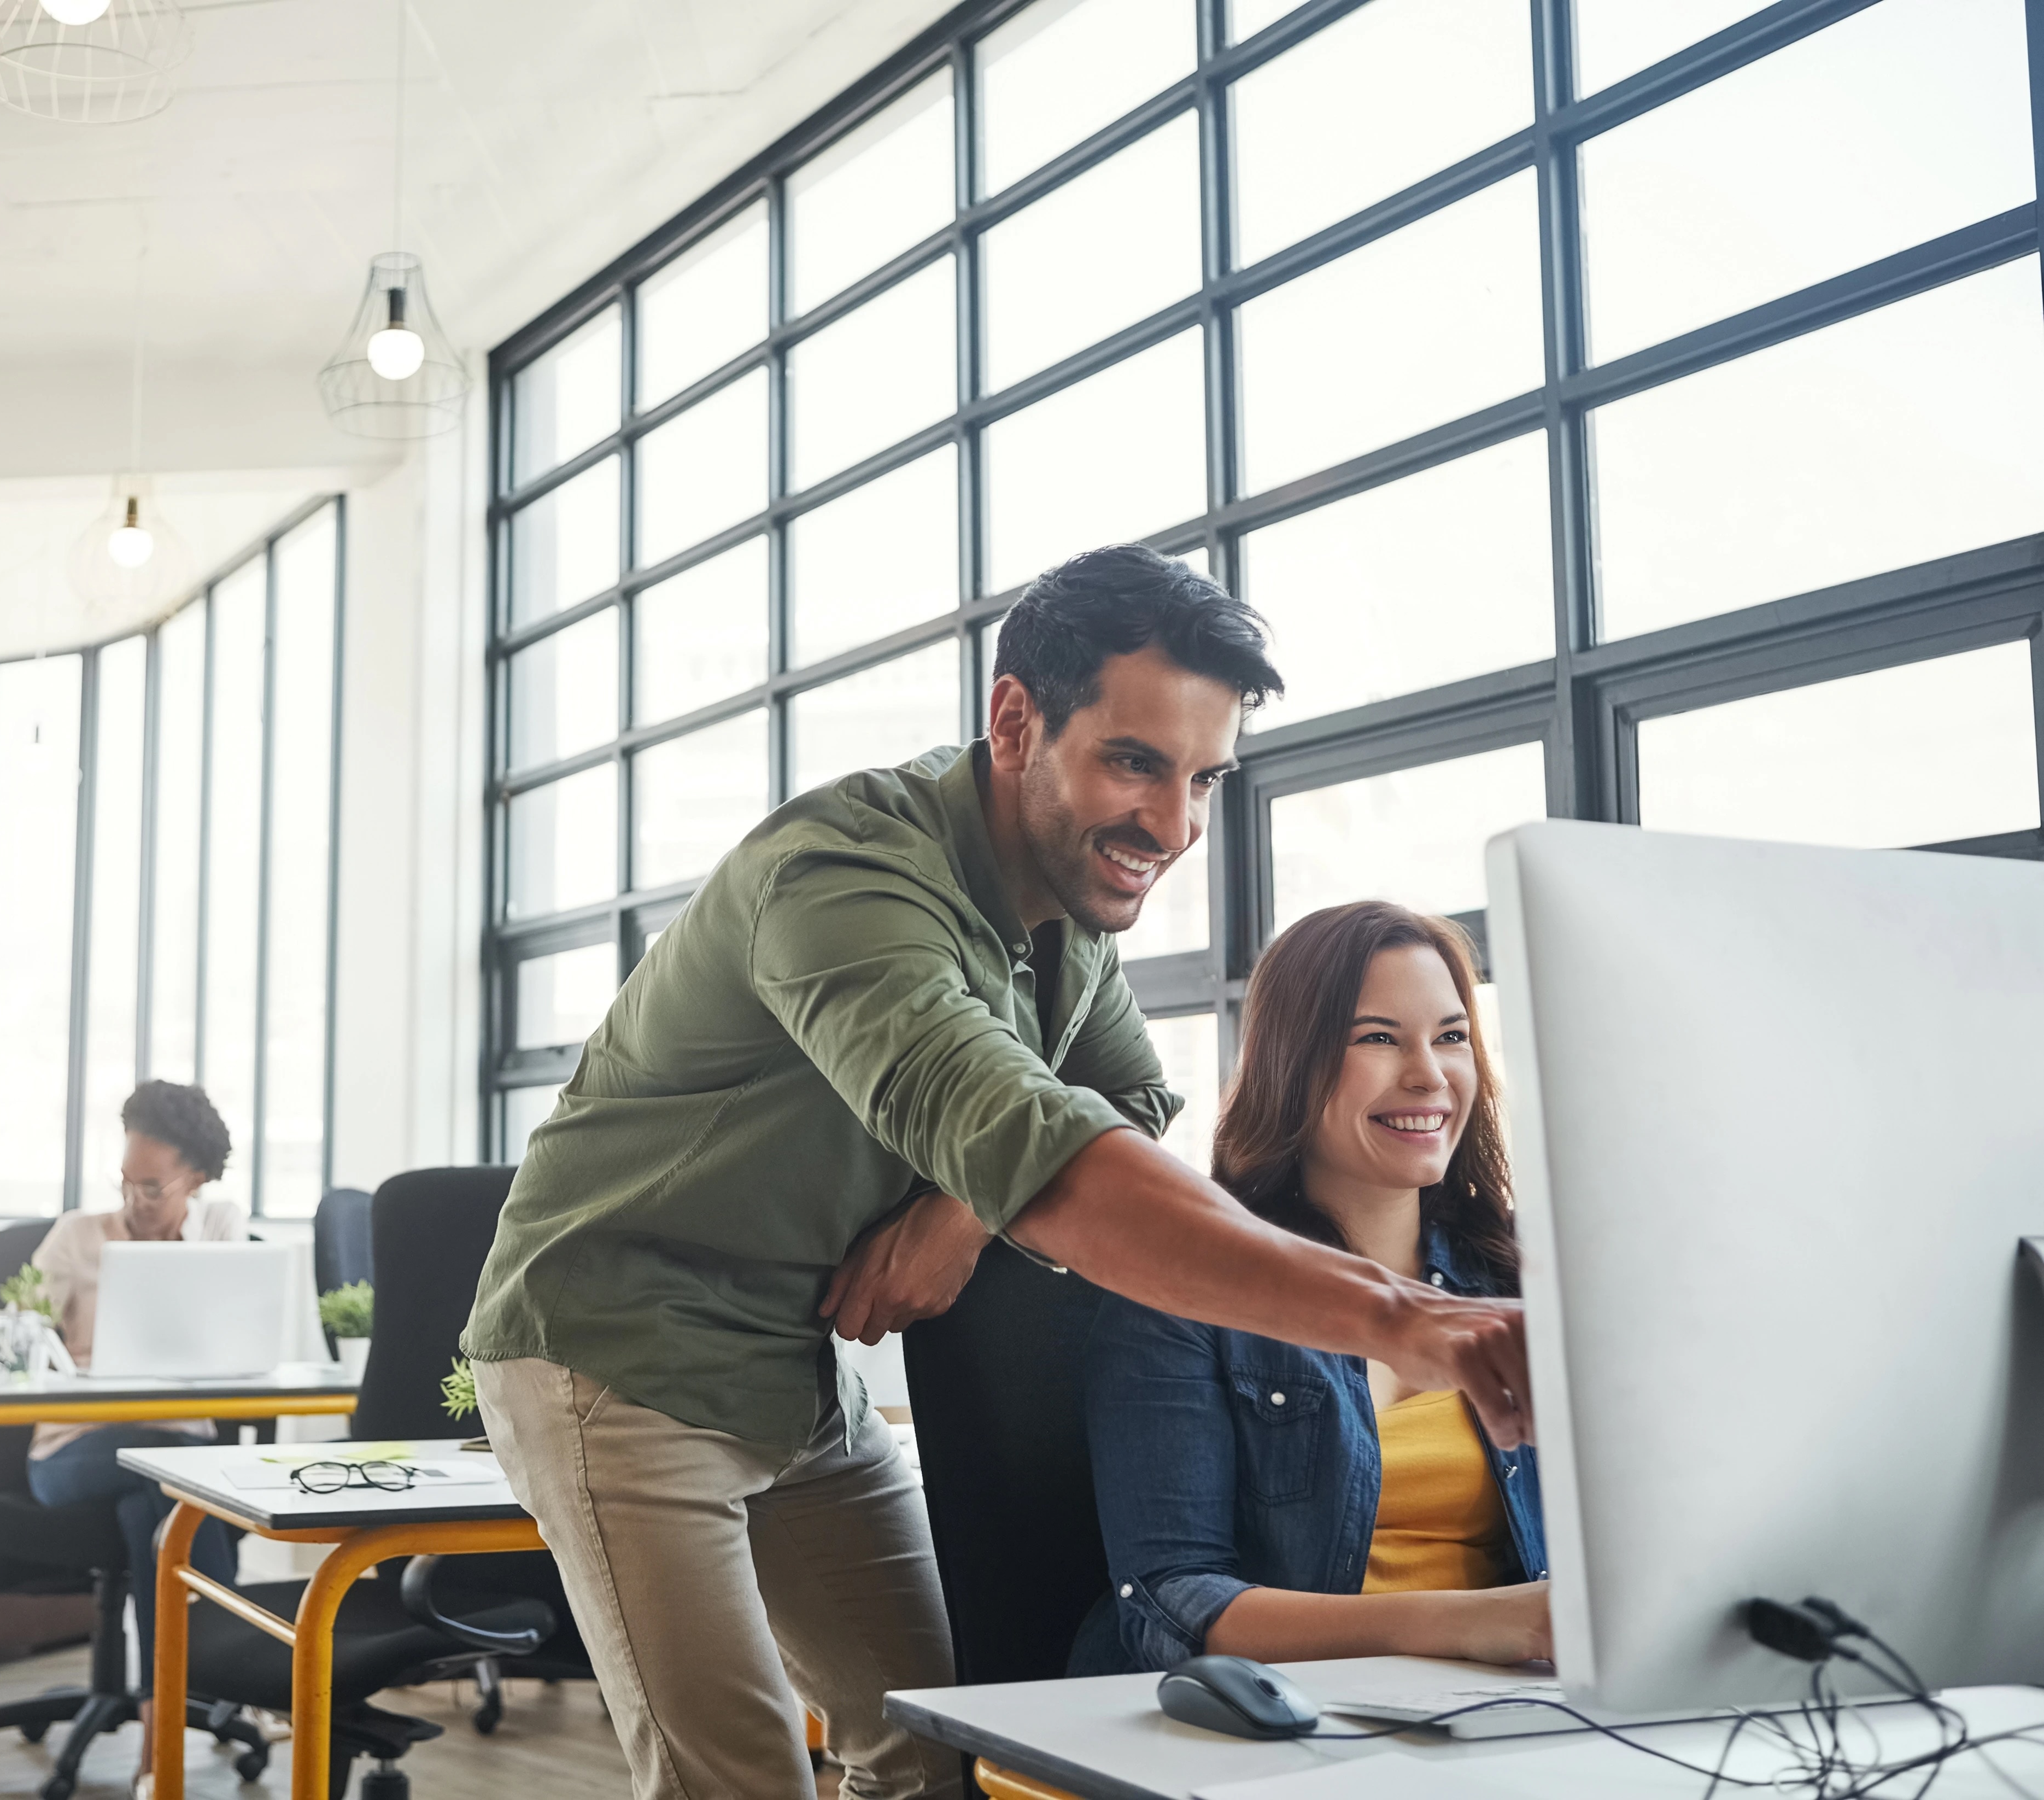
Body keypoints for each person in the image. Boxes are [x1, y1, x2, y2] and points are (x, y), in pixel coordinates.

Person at [461, 542, 1533, 1800]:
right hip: (614, 1358)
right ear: (1014, 718)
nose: (1174, 826)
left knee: (932, 1754)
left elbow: (1126, 1099)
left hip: (794, 1376)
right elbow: (1062, 1161)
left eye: (1202, 778)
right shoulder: (849, 879)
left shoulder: (1060, 927)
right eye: (1134, 762)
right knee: (738, 1781)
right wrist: (1399, 1316)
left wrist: (958, 1214)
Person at [1074, 902, 1550, 1677]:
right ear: (1292, 1062)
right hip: (1279, 1721)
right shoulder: (1182, 1288)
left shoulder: (1522, 1273)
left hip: (1505, 1703)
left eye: (1451, 1037)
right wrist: (1478, 1622)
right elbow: (1172, 1604)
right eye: (1377, 1038)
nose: (1428, 1074)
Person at [22, 1080, 248, 1773]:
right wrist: (2, 1342)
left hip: (174, 1452)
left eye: (151, 1188)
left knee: (150, 1503)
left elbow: (240, 1341)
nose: (132, 1201)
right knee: (171, 1476)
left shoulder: (222, 1228)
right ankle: (231, 1673)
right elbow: (21, 1337)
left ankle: (163, 1726)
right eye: (125, 1182)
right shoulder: (76, 1235)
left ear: (197, 1178)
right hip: (72, 1448)